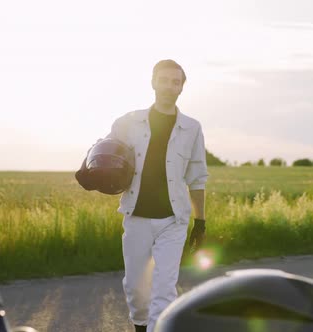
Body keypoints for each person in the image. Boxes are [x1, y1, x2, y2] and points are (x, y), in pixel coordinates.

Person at [105, 59, 209, 332]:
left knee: (163, 292)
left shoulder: (192, 128)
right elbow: (105, 153)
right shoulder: (129, 122)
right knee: (137, 291)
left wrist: (200, 222)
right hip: (136, 217)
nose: (169, 86)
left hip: (173, 221)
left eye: (176, 82)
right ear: (153, 82)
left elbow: (197, 177)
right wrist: (90, 172)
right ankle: (141, 326)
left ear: (182, 88)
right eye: (164, 80)